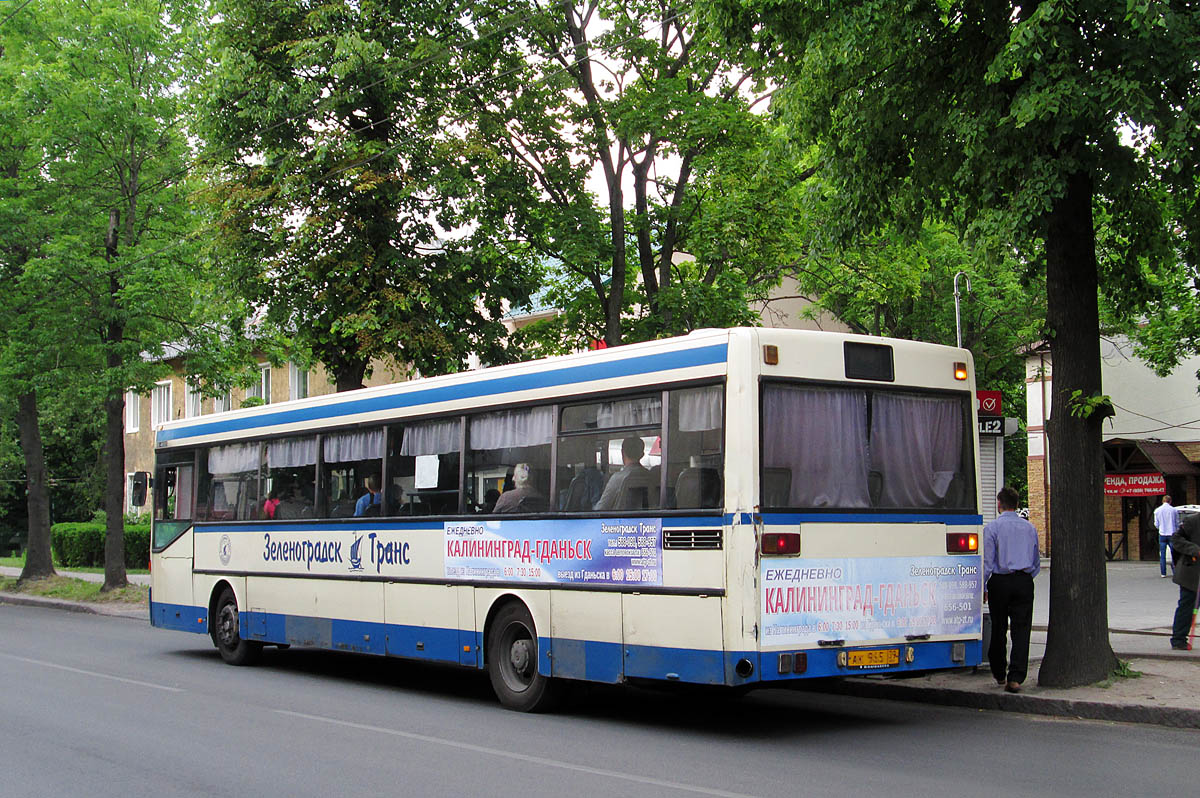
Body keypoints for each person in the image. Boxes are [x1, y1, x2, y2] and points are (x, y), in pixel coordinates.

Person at [983, 486, 1041, 693]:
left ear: (999, 504)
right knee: (1022, 629)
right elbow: (1036, 561)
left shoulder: (992, 528)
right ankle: (1015, 677)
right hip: (1024, 581)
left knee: (998, 628)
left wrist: (983, 585)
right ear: (1017, 505)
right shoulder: (1030, 529)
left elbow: (988, 562)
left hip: (1000, 581)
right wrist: (1026, 576)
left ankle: (999, 672)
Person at [1169, 509, 1200, 650]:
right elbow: (1175, 539)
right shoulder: (1192, 521)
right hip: (1191, 572)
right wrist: (1194, 549)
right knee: (1187, 606)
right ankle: (1178, 639)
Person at [594, 437, 651, 511]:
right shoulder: (650, 476)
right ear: (642, 454)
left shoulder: (618, 478)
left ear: (622, 453)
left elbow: (601, 508)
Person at [1154, 494, 1180, 578]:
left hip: (1162, 533)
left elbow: (1156, 524)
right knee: (1173, 553)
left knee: (1162, 554)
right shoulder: (1173, 510)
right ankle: (1175, 571)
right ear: (1170, 501)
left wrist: (1160, 528)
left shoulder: (1157, 510)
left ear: (1162, 501)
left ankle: (1163, 573)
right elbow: (1177, 522)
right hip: (1172, 533)